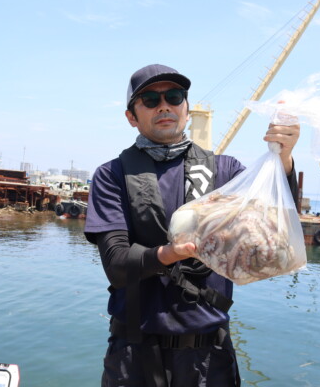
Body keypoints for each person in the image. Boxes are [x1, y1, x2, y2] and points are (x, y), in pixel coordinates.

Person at [84, 64, 301, 387]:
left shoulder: (226, 173)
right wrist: (170, 254)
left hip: (209, 359)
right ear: (132, 116)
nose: (164, 106)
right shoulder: (112, 175)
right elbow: (116, 265)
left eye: (174, 96)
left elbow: (276, 234)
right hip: (134, 356)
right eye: (150, 100)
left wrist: (282, 159)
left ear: (186, 108)